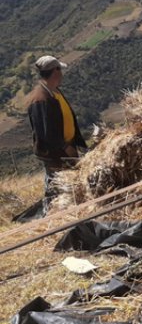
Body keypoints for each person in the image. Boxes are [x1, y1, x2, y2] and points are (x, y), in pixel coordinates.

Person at [26, 55, 88, 214]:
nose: (62, 73)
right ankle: (51, 216)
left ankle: (68, 212)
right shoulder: (40, 99)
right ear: (54, 72)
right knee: (55, 187)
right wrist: (66, 148)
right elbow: (46, 133)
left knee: (68, 185)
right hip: (56, 154)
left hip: (65, 150)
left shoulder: (53, 92)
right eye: (60, 69)